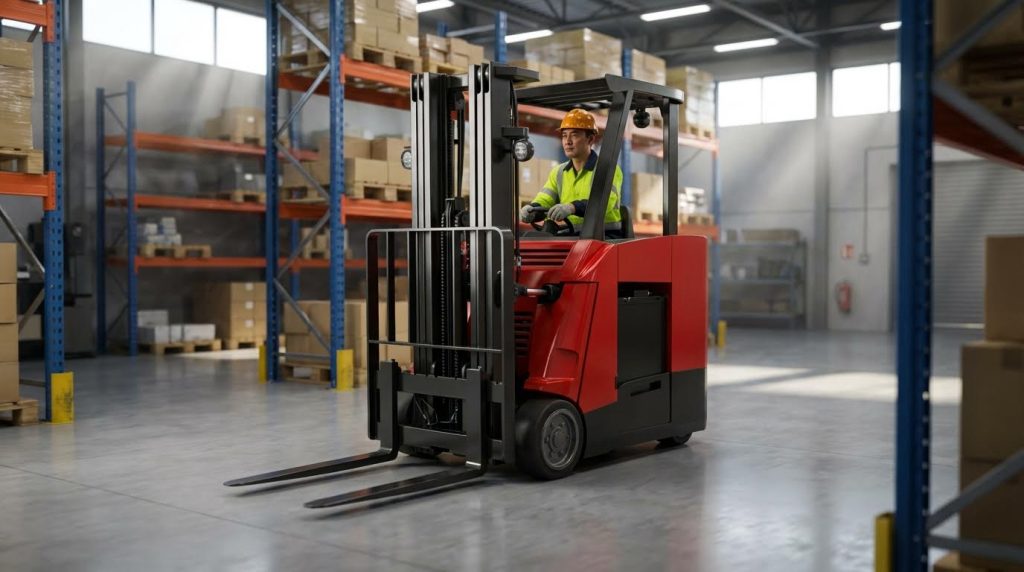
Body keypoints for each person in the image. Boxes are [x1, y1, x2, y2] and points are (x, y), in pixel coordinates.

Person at [519, 109, 623, 236]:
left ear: (590, 139)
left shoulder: (607, 168)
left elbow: (604, 203)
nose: (567, 141)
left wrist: (572, 207)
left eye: (574, 135)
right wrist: (533, 210)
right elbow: (545, 199)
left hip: (604, 236)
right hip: (571, 234)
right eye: (564, 135)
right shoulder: (558, 172)